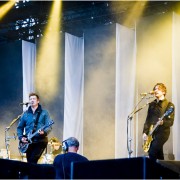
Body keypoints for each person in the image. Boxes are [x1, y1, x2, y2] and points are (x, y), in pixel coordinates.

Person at [17, 92, 53, 163]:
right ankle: (32, 174)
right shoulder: (25, 114)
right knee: (29, 162)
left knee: (32, 161)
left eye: (34, 99)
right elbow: (20, 127)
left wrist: (44, 132)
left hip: (40, 141)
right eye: (30, 99)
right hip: (29, 142)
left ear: (38, 101)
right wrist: (21, 137)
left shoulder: (44, 113)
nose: (32, 100)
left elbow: (49, 126)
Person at [142, 83, 175, 161]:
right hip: (152, 132)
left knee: (153, 151)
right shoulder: (152, 104)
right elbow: (148, 120)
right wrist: (145, 132)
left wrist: (163, 122)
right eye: (155, 89)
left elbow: (171, 122)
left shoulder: (169, 105)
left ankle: (152, 171)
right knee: (158, 155)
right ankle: (162, 171)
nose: (156, 90)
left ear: (164, 92)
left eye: (158, 89)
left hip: (162, 133)